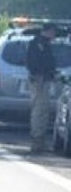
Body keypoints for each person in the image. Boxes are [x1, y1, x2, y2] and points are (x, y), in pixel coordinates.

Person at [26, 21, 58, 153]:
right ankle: (37, 141)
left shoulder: (43, 44)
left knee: (42, 110)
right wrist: (43, 74)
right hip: (39, 80)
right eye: (53, 31)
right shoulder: (38, 44)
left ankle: (40, 141)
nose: (54, 34)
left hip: (43, 79)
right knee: (39, 111)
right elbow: (35, 63)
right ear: (48, 31)